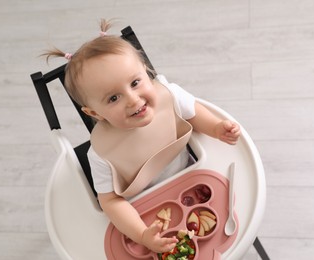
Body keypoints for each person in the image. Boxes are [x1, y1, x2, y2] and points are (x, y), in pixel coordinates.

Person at [42, 19, 240, 253]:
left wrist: (216, 128)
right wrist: (142, 234)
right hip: (147, 210)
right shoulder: (101, 154)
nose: (133, 100)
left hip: (193, 177)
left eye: (135, 82)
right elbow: (110, 202)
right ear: (93, 113)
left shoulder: (169, 96)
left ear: (146, 72)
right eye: (114, 98)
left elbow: (194, 112)